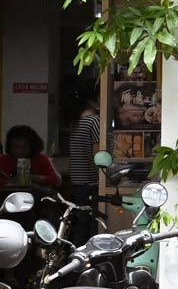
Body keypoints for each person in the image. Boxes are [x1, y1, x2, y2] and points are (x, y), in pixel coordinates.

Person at [67, 87, 102, 240]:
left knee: (81, 226)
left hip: (77, 183)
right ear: (92, 102)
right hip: (92, 183)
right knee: (94, 227)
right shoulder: (95, 121)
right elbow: (97, 155)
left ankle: (77, 253)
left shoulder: (76, 123)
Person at [0, 125, 61, 189]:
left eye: (23, 148)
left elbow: (54, 180)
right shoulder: (3, 160)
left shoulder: (41, 159)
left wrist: (31, 177)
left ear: (32, 147)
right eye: (15, 148)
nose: (19, 152)